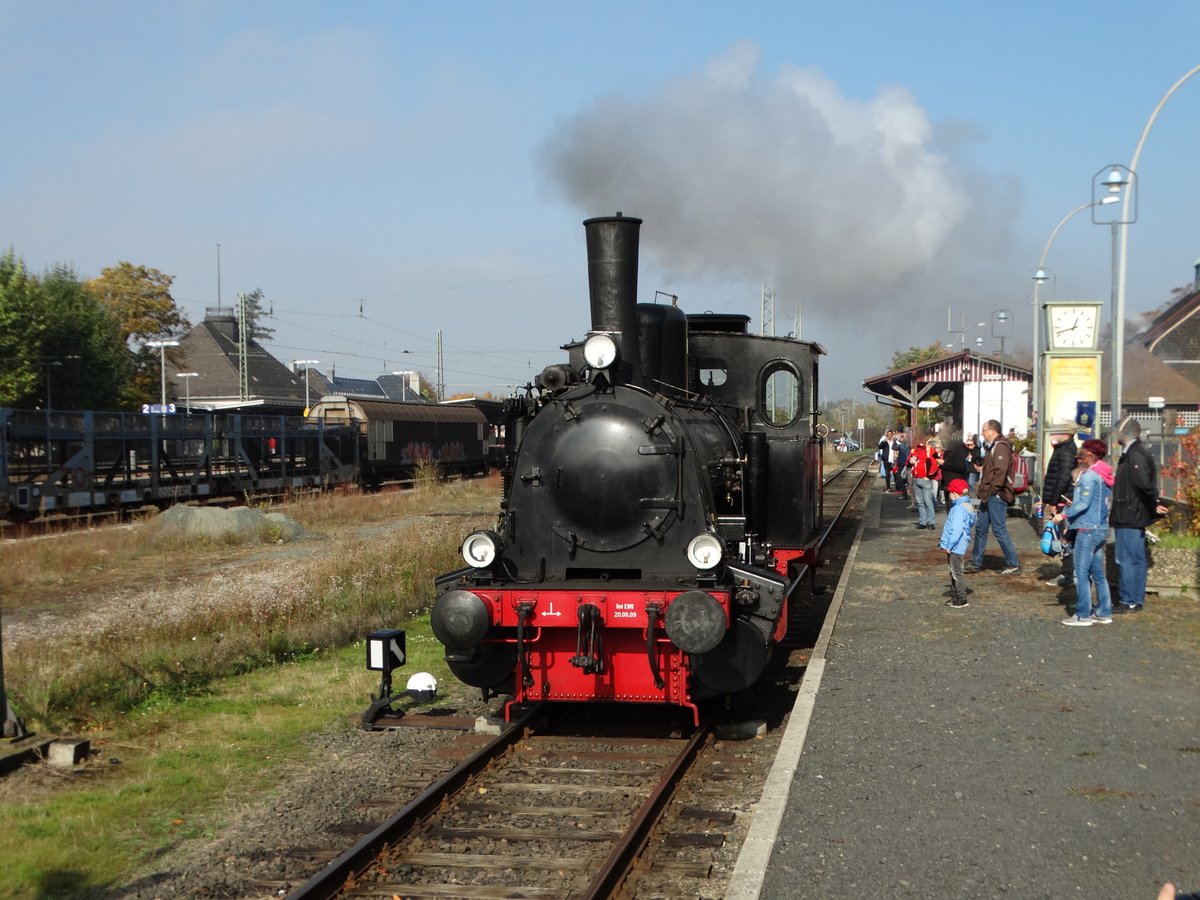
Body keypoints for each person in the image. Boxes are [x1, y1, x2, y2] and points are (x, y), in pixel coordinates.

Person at [1111, 418, 1170, 614]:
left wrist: (1154, 504)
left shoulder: (1135, 455)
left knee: (1128, 559)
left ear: (1123, 433)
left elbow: (1144, 484)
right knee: (1134, 558)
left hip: (1130, 514)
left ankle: (1129, 600)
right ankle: (1134, 599)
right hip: (1130, 513)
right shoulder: (1134, 454)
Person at [1055, 438, 1114, 626]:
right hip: (1101, 527)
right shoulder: (1104, 475)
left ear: (1089, 455)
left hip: (1087, 529)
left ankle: (1082, 614)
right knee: (1098, 573)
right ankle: (1104, 611)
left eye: (1082, 452)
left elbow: (1083, 503)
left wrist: (1062, 515)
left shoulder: (1089, 476)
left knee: (1081, 572)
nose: (1079, 455)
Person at [966, 420, 1021, 575]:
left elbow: (1001, 472)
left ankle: (1013, 563)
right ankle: (976, 562)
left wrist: (992, 489)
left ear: (992, 430)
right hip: (988, 494)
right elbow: (996, 470)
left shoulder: (1001, 446)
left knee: (999, 529)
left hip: (996, 494)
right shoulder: (995, 447)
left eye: (984, 430)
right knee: (981, 527)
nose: (982, 434)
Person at [1040, 421, 1079, 588]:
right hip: (1061, 498)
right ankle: (1069, 572)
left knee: (1065, 538)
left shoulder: (1066, 451)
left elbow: (1063, 478)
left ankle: (1069, 574)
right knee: (1064, 537)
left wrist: (1054, 502)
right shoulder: (1063, 449)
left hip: (1063, 500)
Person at [940, 478, 976, 608]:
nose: (949, 495)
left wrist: (949, 545)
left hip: (955, 546)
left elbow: (956, 529)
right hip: (961, 544)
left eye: (950, 493)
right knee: (955, 570)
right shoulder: (968, 506)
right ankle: (957, 595)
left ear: (955, 494)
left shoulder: (957, 509)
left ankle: (961, 598)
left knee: (956, 572)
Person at [907, 436, 940, 529]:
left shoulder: (929, 451)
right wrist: (910, 462)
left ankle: (931, 522)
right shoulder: (914, 451)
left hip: (924, 479)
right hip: (916, 479)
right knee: (920, 502)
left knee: (928, 501)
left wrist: (928, 476)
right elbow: (908, 463)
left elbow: (935, 464)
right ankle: (923, 521)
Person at [891, 431, 910, 499]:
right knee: (909, 481)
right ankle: (911, 495)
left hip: (901, 464)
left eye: (902, 437)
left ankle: (905, 496)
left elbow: (893, 447)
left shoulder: (900, 446)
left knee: (901, 480)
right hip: (909, 464)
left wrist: (894, 440)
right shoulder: (909, 446)